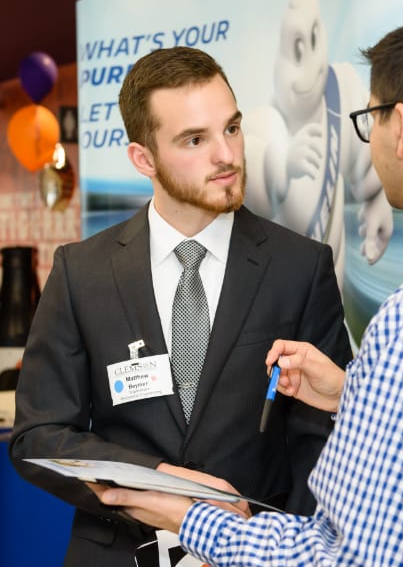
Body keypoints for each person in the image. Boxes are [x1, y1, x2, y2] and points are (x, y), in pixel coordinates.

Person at [89, 9, 403, 565]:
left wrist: (193, 518)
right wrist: (358, 396)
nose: (225, 153)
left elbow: (351, 558)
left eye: (373, 119)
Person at [8, 46, 352, 567]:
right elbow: (40, 435)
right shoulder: (81, 272)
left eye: (231, 128)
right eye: (196, 139)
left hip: (256, 551)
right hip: (118, 551)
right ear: (143, 158)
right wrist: (156, 480)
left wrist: (281, 548)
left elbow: (319, 437)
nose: (228, 155)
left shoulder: (300, 266)